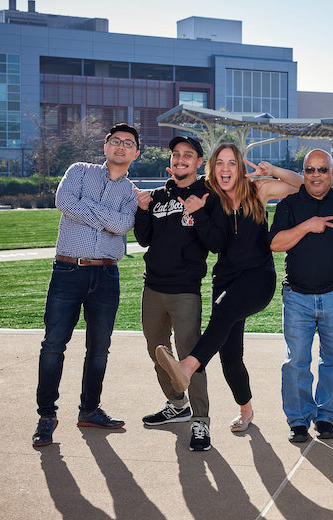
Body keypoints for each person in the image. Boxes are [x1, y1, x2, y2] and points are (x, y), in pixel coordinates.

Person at [155, 143, 303, 432]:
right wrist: (196, 213)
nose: (226, 169)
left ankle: (187, 367)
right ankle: (246, 410)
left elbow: (300, 185)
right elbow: (215, 245)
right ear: (213, 167)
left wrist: (272, 170)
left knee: (222, 313)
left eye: (232, 163)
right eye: (220, 163)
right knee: (230, 357)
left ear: (239, 167)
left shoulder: (259, 189)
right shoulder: (209, 197)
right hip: (225, 279)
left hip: (258, 276)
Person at [33, 123, 140, 447]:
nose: (121, 147)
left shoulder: (131, 192)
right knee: (54, 344)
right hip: (68, 270)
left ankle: (90, 410)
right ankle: (46, 416)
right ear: (106, 146)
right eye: (116, 141)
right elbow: (63, 201)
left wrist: (90, 211)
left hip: (106, 276)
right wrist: (104, 218)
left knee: (99, 349)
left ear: (136, 153)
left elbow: (123, 226)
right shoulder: (79, 171)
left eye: (128, 144)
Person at [134, 136, 227, 451]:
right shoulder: (159, 196)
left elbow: (217, 243)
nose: (181, 159)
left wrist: (199, 213)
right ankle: (177, 404)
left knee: (190, 356)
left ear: (199, 162)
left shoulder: (209, 195)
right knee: (156, 350)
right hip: (153, 288)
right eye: (176, 154)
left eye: (188, 155)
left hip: (186, 290)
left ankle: (201, 420)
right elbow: (144, 239)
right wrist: (143, 210)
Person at [268, 149, 333, 443]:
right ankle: (298, 419)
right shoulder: (290, 205)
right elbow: (275, 244)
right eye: (310, 170)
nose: (316, 175)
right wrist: (308, 225)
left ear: (332, 173)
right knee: (296, 361)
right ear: (303, 173)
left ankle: (325, 416)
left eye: (322, 170)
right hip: (297, 297)